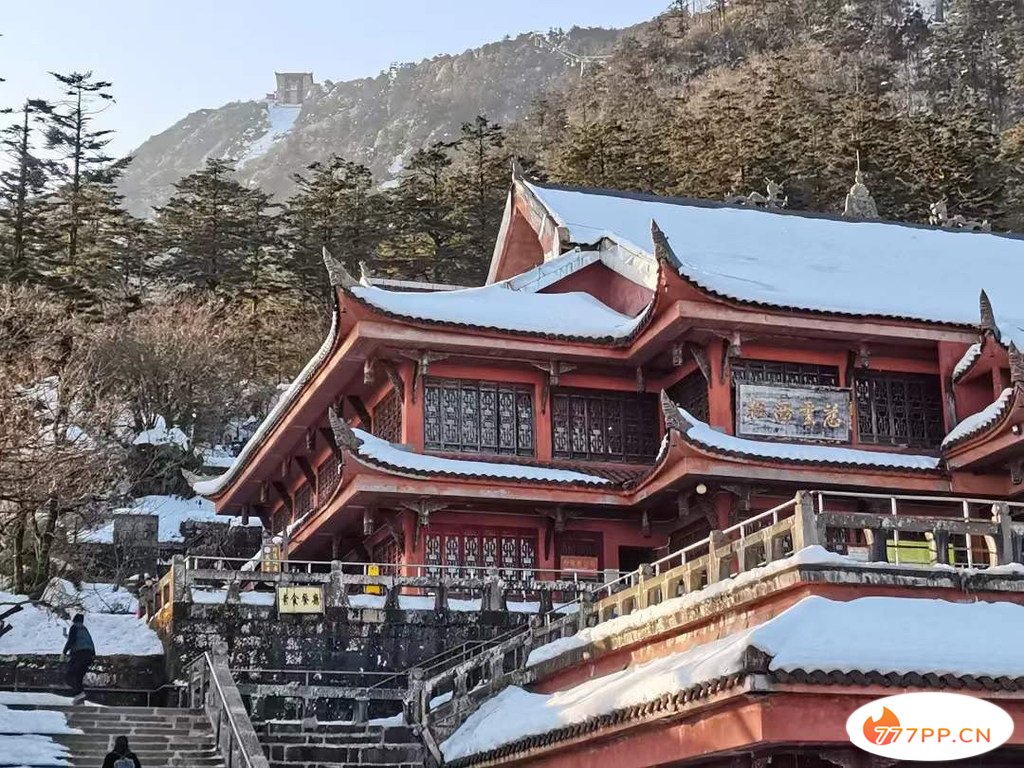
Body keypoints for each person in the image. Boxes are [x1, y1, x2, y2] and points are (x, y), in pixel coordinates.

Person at [61, 613, 95, 704]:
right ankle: (79, 699)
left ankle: (79, 693)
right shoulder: (84, 629)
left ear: (74, 620)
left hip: (79, 654)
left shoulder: (74, 627)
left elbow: (71, 641)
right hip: (89, 655)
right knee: (78, 677)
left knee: (69, 676)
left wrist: (64, 652)